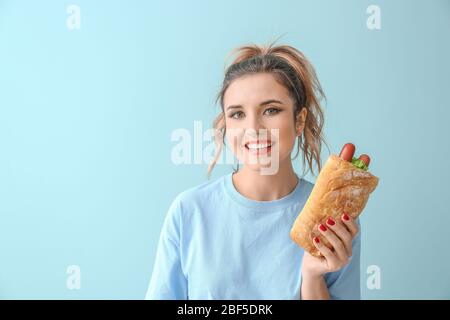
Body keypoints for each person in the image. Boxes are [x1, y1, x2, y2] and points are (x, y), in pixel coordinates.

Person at [145, 40, 361, 300]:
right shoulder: (189, 211)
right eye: (237, 114)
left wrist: (312, 278)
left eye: (271, 110)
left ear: (300, 119)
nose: (253, 128)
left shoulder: (334, 220)